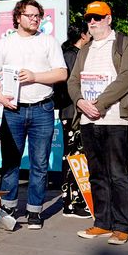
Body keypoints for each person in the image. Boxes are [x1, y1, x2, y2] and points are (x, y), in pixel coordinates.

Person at [0, 0, 67, 230]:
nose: (34, 19)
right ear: (18, 18)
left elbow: (62, 73)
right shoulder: (6, 43)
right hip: (13, 110)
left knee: (40, 163)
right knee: (10, 161)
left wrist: (35, 77)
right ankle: (9, 207)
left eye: (37, 16)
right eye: (30, 15)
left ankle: (34, 211)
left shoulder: (48, 41)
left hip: (42, 108)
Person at [68, 1, 128, 245]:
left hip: (116, 119)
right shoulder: (85, 49)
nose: (93, 22)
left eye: (98, 17)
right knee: (97, 174)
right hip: (88, 120)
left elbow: (127, 77)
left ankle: (122, 226)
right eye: (89, 18)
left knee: (118, 173)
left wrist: (98, 104)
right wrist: (79, 102)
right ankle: (102, 223)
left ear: (109, 19)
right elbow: (72, 80)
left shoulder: (124, 43)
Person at [53, 23, 92, 218]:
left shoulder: (67, 53)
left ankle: (72, 201)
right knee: (74, 158)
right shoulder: (74, 56)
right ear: (83, 36)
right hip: (73, 113)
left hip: (70, 112)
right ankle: (71, 203)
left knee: (72, 157)